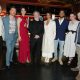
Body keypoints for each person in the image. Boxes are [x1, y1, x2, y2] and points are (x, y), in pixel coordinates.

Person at [71, 12, 80, 79]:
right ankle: (78, 67)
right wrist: (75, 42)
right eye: (78, 15)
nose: (78, 16)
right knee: (79, 57)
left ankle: (79, 74)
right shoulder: (79, 23)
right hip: (78, 43)